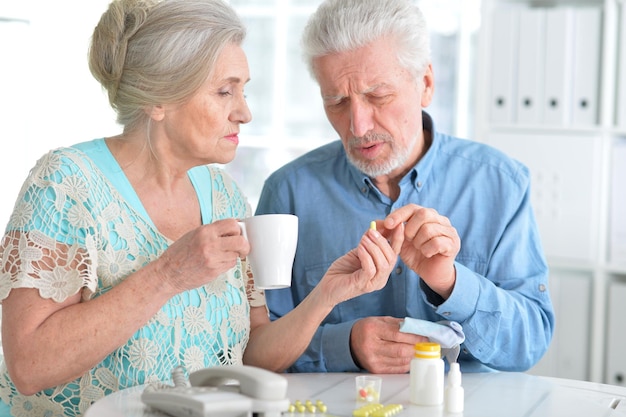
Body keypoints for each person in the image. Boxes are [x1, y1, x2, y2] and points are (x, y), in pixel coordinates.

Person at [0, 0, 403, 415]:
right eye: (224, 91)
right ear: (159, 100)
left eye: (244, 90)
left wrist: (325, 296)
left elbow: (252, 354)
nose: (244, 112)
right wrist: (168, 274)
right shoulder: (65, 183)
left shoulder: (223, 195)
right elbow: (29, 366)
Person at [256, 0, 555, 374]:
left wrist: (450, 282)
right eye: (337, 102)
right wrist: (343, 345)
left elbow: (530, 342)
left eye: (378, 97)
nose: (359, 126)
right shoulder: (288, 193)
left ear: (426, 84)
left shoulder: (500, 184)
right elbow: (254, 348)